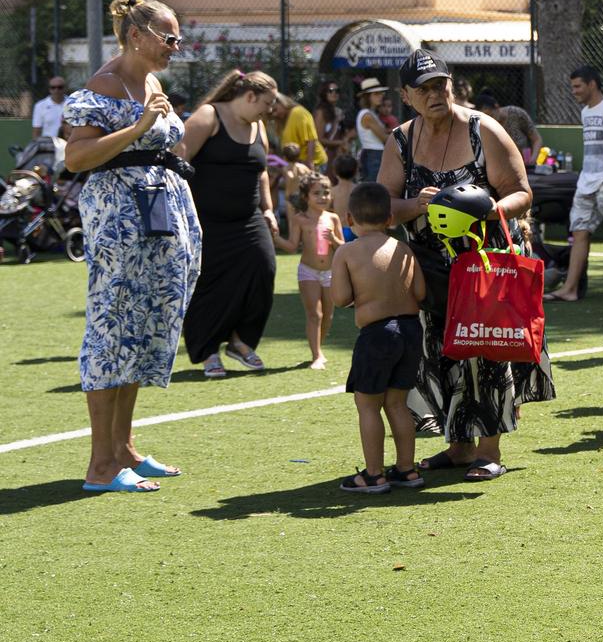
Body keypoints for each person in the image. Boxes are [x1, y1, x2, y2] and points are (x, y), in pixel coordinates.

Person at [377, 48, 553, 479]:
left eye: (441, 85)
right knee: (441, 352)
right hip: (430, 269)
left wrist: (490, 209)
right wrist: (413, 206)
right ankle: (458, 446)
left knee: (486, 349)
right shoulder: (400, 140)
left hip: (485, 266)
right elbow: (381, 208)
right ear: (407, 95)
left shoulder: (482, 129)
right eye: (425, 89)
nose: (436, 94)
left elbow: (521, 191)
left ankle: (488, 449)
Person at [61, 0, 201, 492]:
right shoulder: (103, 84)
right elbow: (75, 159)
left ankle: (124, 449)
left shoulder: (151, 79)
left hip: (159, 218)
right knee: (113, 330)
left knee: (142, 330)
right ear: (137, 36)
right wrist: (140, 128)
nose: (176, 47)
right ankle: (101, 466)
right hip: (120, 221)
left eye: (178, 38)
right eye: (169, 38)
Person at [175, 69, 282, 380]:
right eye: (267, 102)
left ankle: (240, 341)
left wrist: (269, 209)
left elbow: (261, 171)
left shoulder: (257, 125)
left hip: (249, 219)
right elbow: (178, 159)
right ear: (249, 96)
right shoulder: (208, 116)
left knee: (264, 269)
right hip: (207, 221)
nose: (270, 110)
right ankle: (208, 350)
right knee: (209, 286)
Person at [328, 180, 427, 493]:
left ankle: (373, 474)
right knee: (397, 404)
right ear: (389, 219)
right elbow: (421, 292)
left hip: (377, 334)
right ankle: (407, 470)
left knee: (368, 406)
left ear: (349, 219)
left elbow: (340, 298)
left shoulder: (346, 252)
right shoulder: (403, 248)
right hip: (411, 330)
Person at [547, 65, 603, 302]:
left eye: (578, 86)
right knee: (579, 232)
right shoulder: (586, 111)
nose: (574, 91)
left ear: (592, 84)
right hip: (587, 183)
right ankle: (570, 289)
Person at [276, 173, 341, 370]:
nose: (323, 197)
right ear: (306, 197)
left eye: (326, 192)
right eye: (317, 193)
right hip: (308, 272)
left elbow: (343, 247)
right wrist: (274, 237)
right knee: (315, 314)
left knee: (328, 315)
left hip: (329, 272)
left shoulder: (333, 218)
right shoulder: (300, 219)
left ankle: (318, 347)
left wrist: (333, 239)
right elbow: (292, 246)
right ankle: (316, 355)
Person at [353, 79, 392, 181]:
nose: (380, 96)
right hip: (374, 155)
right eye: (376, 94)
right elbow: (384, 138)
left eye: (381, 93)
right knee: (373, 189)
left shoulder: (371, 113)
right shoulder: (367, 115)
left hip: (374, 155)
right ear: (367, 97)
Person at [280, 95, 324, 169]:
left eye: (275, 109)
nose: (272, 112)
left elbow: (311, 139)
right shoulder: (283, 119)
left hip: (314, 163)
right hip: (298, 163)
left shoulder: (298, 112)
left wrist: (309, 162)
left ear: (282, 103)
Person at [314, 80, 351, 163]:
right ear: (324, 93)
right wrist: (340, 142)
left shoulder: (338, 112)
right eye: (330, 91)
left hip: (337, 156)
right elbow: (318, 139)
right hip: (325, 157)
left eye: (337, 91)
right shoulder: (321, 112)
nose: (334, 93)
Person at [31, 74, 66, 142]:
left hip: (68, 144)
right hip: (49, 145)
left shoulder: (72, 104)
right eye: (53, 87)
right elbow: (37, 130)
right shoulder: (40, 106)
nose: (56, 90)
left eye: (60, 87)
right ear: (49, 89)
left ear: (64, 88)